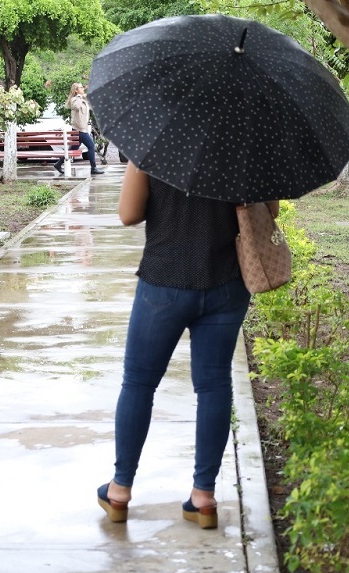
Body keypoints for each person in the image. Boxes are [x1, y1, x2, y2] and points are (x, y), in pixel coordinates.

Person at [97, 163, 251, 529]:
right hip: (226, 282)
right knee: (214, 386)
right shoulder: (243, 146)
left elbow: (128, 214)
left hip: (163, 280)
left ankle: (120, 490)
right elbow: (268, 211)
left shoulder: (155, 147)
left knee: (139, 383)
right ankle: (203, 497)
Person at [57, 83, 104, 176]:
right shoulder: (74, 100)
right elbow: (77, 106)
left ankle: (58, 164)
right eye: (81, 87)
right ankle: (93, 168)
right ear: (76, 90)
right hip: (79, 129)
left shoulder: (82, 99)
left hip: (82, 128)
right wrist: (80, 96)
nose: (83, 89)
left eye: (83, 87)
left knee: (73, 149)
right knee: (91, 146)